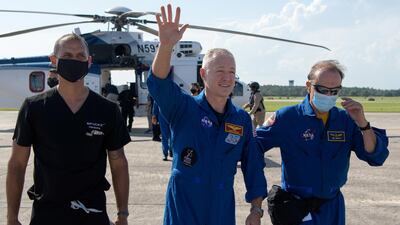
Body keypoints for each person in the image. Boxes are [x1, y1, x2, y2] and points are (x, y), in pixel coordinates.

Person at [147, 5, 267, 225]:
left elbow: (253, 166)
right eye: (219, 71)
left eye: (232, 72)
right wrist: (165, 47)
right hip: (184, 204)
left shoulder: (241, 119)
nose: (227, 77)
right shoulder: (183, 107)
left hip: (220, 205)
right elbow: (159, 84)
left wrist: (256, 209)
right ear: (203, 74)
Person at [6, 33, 131, 225]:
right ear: (54, 60)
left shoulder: (107, 109)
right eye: (68, 56)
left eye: (81, 56)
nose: (75, 60)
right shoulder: (34, 107)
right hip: (47, 215)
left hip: (93, 214)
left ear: (89, 62)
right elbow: (17, 164)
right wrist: (12, 217)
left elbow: (118, 162)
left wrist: (122, 214)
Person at [256, 60, 389, 225]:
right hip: (297, 208)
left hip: (332, 207)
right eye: (322, 90)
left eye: (334, 91)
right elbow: (254, 146)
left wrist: (362, 123)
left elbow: (375, 156)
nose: (328, 95)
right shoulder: (288, 117)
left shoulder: (345, 120)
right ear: (308, 86)